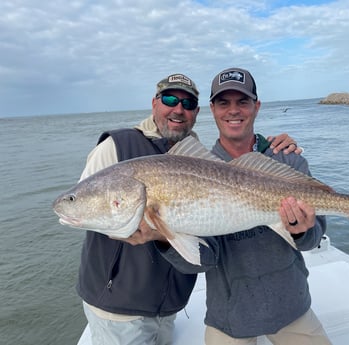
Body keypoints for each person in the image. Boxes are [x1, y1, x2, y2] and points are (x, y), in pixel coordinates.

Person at [76, 72, 300, 345]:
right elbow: (91, 204)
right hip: (118, 306)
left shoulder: (199, 159)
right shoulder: (116, 146)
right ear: (154, 102)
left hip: (169, 305)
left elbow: (201, 244)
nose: (178, 109)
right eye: (170, 99)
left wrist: (273, 153)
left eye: (188, 103)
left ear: (197, 112)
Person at [158, 68, 332, 345]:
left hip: (292, 307)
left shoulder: (287, 159)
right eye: (224, 103)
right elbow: (203, 261)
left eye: (242, 102)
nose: (233, 111)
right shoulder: (195, 169)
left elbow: (311, 241)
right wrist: (161, 237)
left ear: (257, 106)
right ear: (212, 109)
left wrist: (301, 230)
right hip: (230, 319)